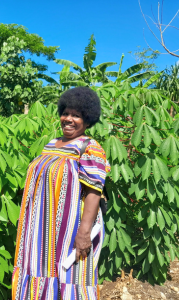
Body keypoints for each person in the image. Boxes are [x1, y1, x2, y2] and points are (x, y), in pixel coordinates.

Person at [12, 87, 111, 299]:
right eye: (66, 113)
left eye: (76, 115)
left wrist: (84, 234)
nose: (68, 119)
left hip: (71, 229)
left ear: (87, 120)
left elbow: (94, 191)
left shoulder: (89, 147)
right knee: (40, 269)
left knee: (70, 276)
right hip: (40, 228)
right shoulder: (51, 144)